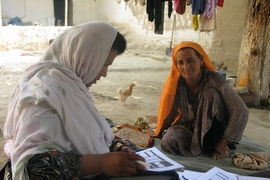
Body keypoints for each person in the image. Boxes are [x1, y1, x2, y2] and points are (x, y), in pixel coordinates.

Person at [3, 21, 147, 179]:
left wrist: (116, 147)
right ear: (84, 55)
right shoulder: (44, 94)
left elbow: (86, 131)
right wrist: (101, 163)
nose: (104, 73)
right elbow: (34, 166)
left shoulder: (71, 89)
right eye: (104, 64)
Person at [155, 41, 249, 160]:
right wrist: (160, 131)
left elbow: (241, 110)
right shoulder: (177, 84)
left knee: (210, 94)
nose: (186, 67)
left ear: (201, 60)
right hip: (190, 128)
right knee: (168, 141)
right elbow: (170, 111)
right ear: (176, 65)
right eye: (180, 63)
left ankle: (220, 146)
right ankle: (203, 147)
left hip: (214, 129)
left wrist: (224, 141)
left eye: (190, 60)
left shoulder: (214, 79)